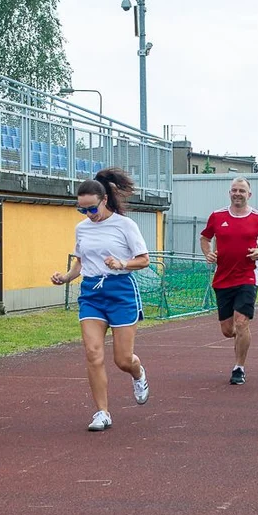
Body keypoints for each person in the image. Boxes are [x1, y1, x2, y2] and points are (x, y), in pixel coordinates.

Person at [51, 168, 151, 431]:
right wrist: (66, 277)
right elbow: (80, 263)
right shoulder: (82, 229)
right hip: (91, 294)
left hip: (121, 292)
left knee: (122, 359)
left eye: (91, 209)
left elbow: (144, 260)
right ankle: (102, 412)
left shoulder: (125, 225)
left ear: (104, 200)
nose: (87, 215)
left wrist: (121, 263)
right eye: (81, 210)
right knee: (93, 353)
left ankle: (138, 372)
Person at [199, 177, 258, 384]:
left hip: (248, 276)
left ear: (249, 195)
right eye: (234, 190)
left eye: (242, 190)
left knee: (242, 322)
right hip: (223, 277)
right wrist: (208, 253)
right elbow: (205, 238)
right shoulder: (217, 216)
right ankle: (241, 338)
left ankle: (239, 367)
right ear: (229, 193)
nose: (237, 194)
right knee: (228, 330)